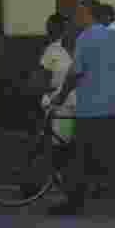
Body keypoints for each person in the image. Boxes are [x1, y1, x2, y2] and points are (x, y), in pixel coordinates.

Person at [48, 0, 115, 218]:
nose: (75, 17)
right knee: (97, 157)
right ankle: (83, 201)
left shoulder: (85, 38)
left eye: (78, 13)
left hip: (91, 107)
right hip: (112, 104)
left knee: (93, 157)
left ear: (87, 14)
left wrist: (61, 96)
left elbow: (75, 73)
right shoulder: (114, 34)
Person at [39, 13, 77, 145]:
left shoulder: (84, 48)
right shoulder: (51, 50)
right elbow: (44, 78)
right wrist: (48, 97)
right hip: (61, 103)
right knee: (61, 141)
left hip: (84, 102)